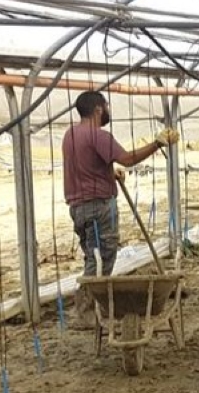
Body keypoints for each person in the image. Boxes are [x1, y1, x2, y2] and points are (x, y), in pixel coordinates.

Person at [63, 90, 177, 280]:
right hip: (98, 207)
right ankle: (88, 305)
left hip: (78, 208)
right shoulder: (99, 136)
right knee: (102, 260)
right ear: (98, 109)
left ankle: (91, 303)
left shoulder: (70, 134)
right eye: (106, 106)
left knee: (93, 257)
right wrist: (157, 143)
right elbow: (127, 159)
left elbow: (85, 163)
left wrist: (108, 171)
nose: (108, 110)